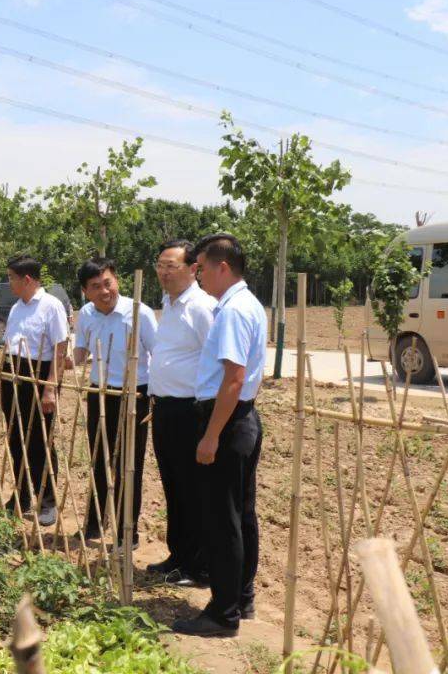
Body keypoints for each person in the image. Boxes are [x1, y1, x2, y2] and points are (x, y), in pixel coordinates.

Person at [173, 233, 267, 638]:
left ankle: (222, 613)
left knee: (221, 520)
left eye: (202, 268)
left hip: (226, 419)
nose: (199, 276)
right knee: (242, 515)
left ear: (221, 267)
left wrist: (211, 435)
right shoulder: (249, 304)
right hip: (242, 417)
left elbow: (233, 378)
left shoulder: (230, 311)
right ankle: (241, 598)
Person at [71, 257, 157, 549]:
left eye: (107, 282)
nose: (104, 290)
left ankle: (126, 533)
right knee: (99, 459)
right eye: (96, 286)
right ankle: (94, 524)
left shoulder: (138, 313)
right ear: (86, 291)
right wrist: (63, 362)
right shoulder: (86, 314)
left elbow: (157, 354)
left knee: (128, 466)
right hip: (99, 392)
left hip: (134, 394)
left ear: (116, 280)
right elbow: (80, 352)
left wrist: (156, 395)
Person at [146, 239, 216, 586]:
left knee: (194, 488)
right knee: (173, 485)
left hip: (190, 410)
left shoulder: (202, 307)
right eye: (160, 265)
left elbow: (215, 358)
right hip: (165, 408)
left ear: (194, 269)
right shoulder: (169, 304)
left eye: (171, 265)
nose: (163, 272)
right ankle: (179, 555)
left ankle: (200, 565)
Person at [1, 254, 69, 527]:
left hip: (38, 375)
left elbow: (60, 347)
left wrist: (51, 387)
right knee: (15, 437)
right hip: (12, 372)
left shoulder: (51, 306)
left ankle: (48, 501)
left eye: (11, 278)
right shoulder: (17, 307)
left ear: (26, 279)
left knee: (41, 440)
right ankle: (22, 495)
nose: (9, 283)